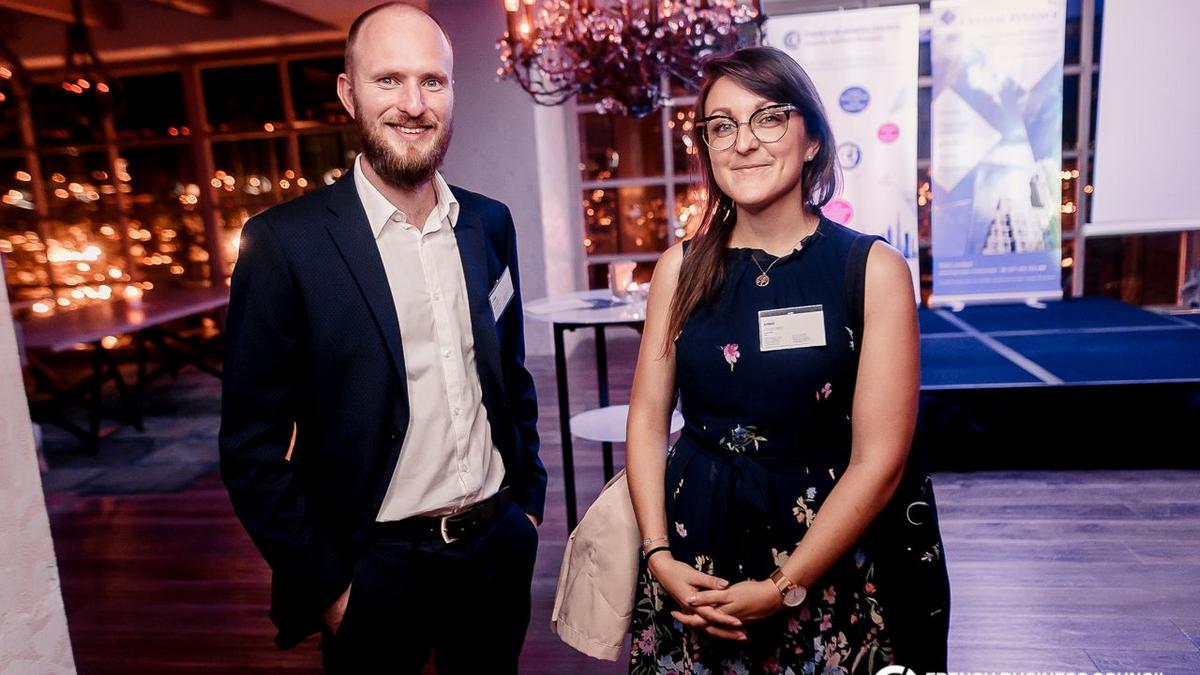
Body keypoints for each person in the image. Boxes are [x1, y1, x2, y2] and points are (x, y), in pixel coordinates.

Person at [218, 4, 545, 673]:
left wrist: (528, 508)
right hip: (373, 570)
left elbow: (509, 376)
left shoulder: (489, 223)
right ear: (349, 93)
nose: (414, 104)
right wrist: (330, 587)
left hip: (495, 549)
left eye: (432, 81)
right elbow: (250, 445)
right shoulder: (283, 244)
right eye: (388, 79)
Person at [625, 46, 950, 674]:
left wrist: (783, 586)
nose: (744, 142)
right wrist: (658, 554)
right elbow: (646, 418)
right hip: (692, 561)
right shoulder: (678, 269)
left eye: (768, 118)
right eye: (722, 126)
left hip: (822, 559)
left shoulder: (872, 270)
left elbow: (881, 461)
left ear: (812, 140)